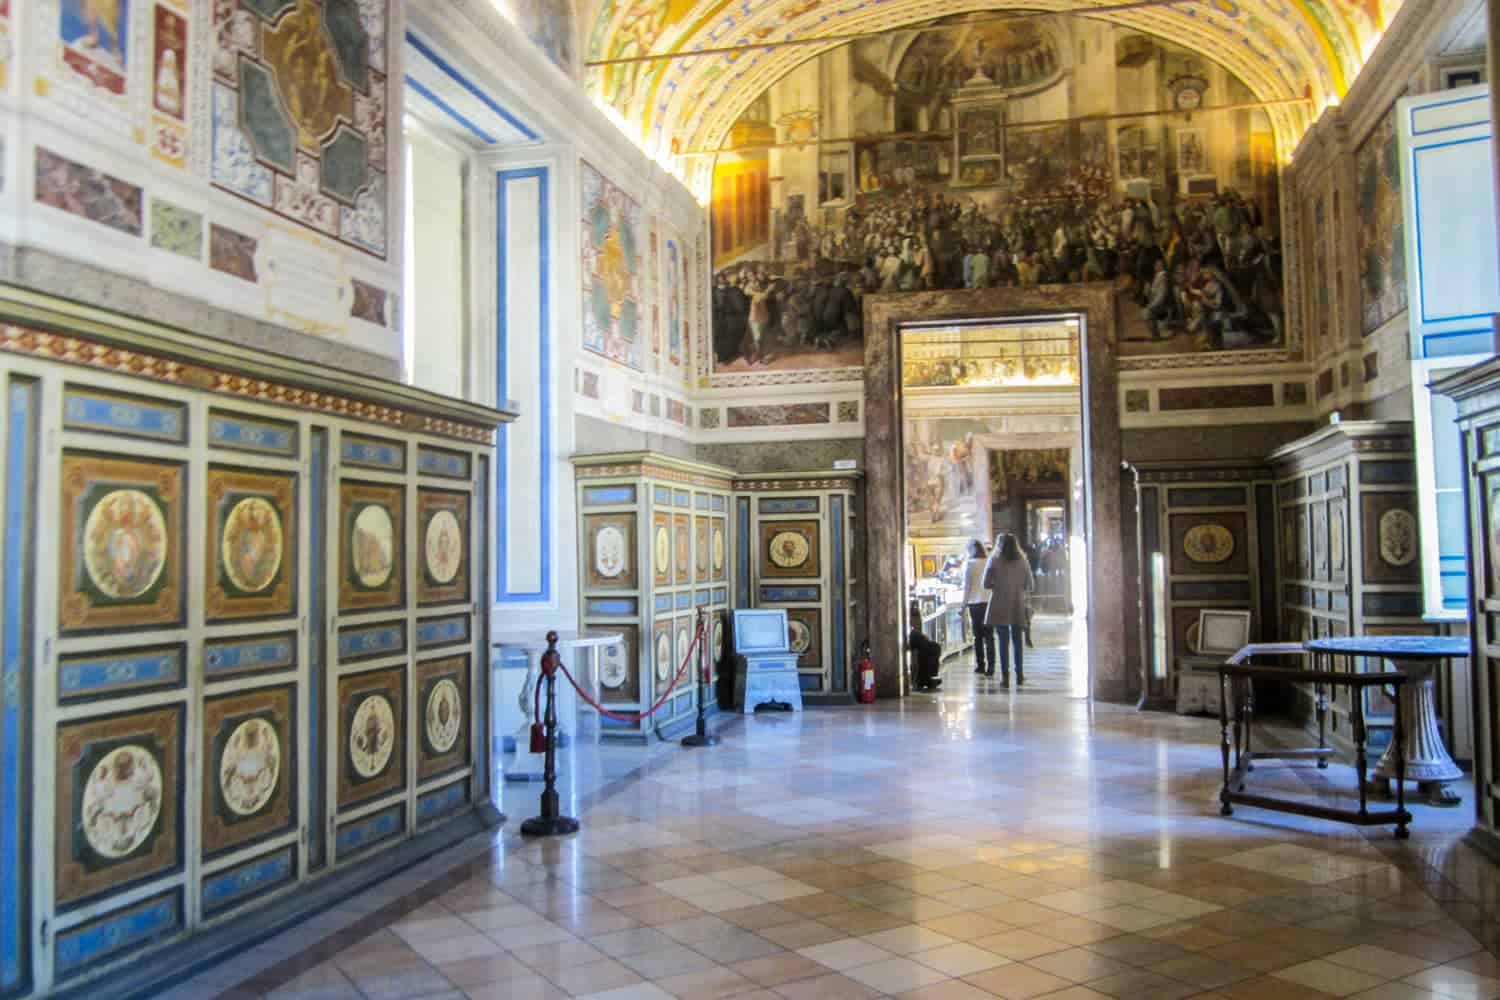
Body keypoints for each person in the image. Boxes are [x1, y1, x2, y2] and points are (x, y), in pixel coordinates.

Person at [983, 533, 1033, 687]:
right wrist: (1017, 589)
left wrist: (997, 586)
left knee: (1002, 641)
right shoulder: (1023, 561)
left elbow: (985, 583)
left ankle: (1005, 677)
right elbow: (1030, 584)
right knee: (1017, 641)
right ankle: (1019, 674)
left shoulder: (994, 560)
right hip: (1017, 603)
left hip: (999, 603)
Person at [962, 539, 996, 676]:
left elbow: (967, 587)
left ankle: (980, 665)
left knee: (978, 637)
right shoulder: (989, 562)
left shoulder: (970, 564)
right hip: (988, 603)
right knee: (989, 636)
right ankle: (991, 666)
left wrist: (963, 605)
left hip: (974, 604)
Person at [907, 604, 943, 691]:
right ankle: (924, 679)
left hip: (912, 635)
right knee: (926, 645)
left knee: (934, 646)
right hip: (908, 635)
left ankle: (926, 677)